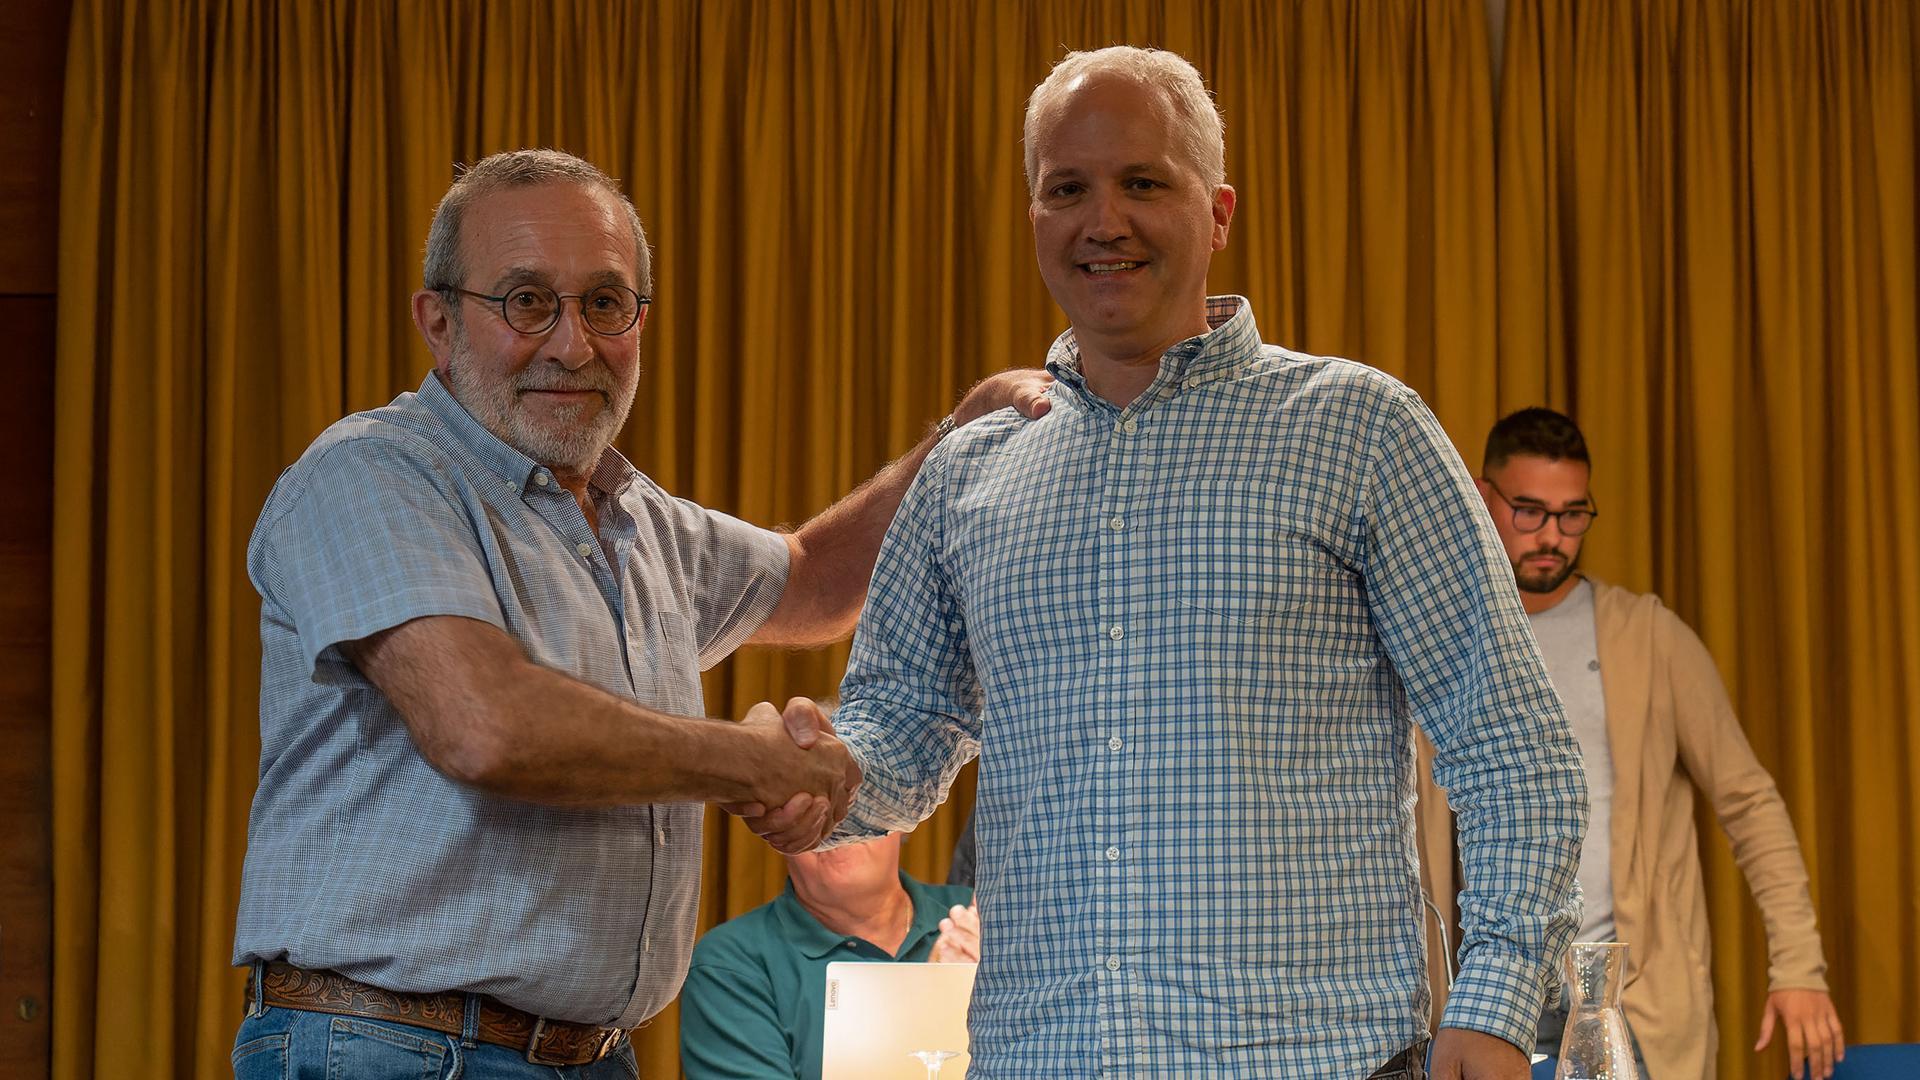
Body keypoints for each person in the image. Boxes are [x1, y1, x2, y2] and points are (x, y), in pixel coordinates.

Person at [754, 47, 1590, 1078]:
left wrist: (1499, 1002)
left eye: (1143, 182)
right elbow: (900, 732)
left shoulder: (1361, 430)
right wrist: (822, 767)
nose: (1103, 220)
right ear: (1034, 219)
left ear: (1219, 212)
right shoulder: (966, 476)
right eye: (1068, 189)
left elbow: (1512, 745)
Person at [229, 149, 1050, 1078]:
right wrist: (749, 762)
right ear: (439, 321)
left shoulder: (635, 521)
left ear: (640, 324)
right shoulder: (373, 475)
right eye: (527, 301)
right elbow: (484, 726)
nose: (572, 345)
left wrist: (956, 438)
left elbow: (816, 579)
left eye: (605, 304)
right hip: (393, 1049)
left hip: (590, 1056)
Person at [1451, 407, 1845, 1080]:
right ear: (1484, 496)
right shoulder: (1445, 640)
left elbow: (1749, 802)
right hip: (1487, 1000)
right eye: (1530, 511)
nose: (1553, 536)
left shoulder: (1649, 637)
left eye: (1573, 514)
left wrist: (1800, 966)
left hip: (1637, 1009)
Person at [679, 830, 977, 1079]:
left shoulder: (983, 917)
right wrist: (942, 997)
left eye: (860, 795)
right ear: (774, 828)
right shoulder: (729, 965)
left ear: (907, 818)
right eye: (814, 800)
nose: (840, 822)